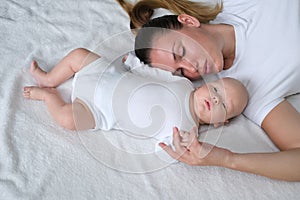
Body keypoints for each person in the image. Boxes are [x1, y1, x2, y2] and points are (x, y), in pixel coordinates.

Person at [117, 0, 300, 181]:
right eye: (180, 72)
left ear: (189, 21)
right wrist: (228, 159)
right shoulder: (241, 92)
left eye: (181, 53)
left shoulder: (241, 5)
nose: (191, 69)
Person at [23, 48, 247, 147]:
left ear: (221, 122)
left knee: (68, 119)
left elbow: (168, 148)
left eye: (225, 105)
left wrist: (182, 148)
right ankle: (49, 78)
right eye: (216, 90)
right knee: (79, 55)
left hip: (97, 110)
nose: (217, 99)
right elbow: (156, 74)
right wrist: (133, 65)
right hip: (109, 74)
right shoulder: (184, 84)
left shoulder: (187, 131)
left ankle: (47, 96)